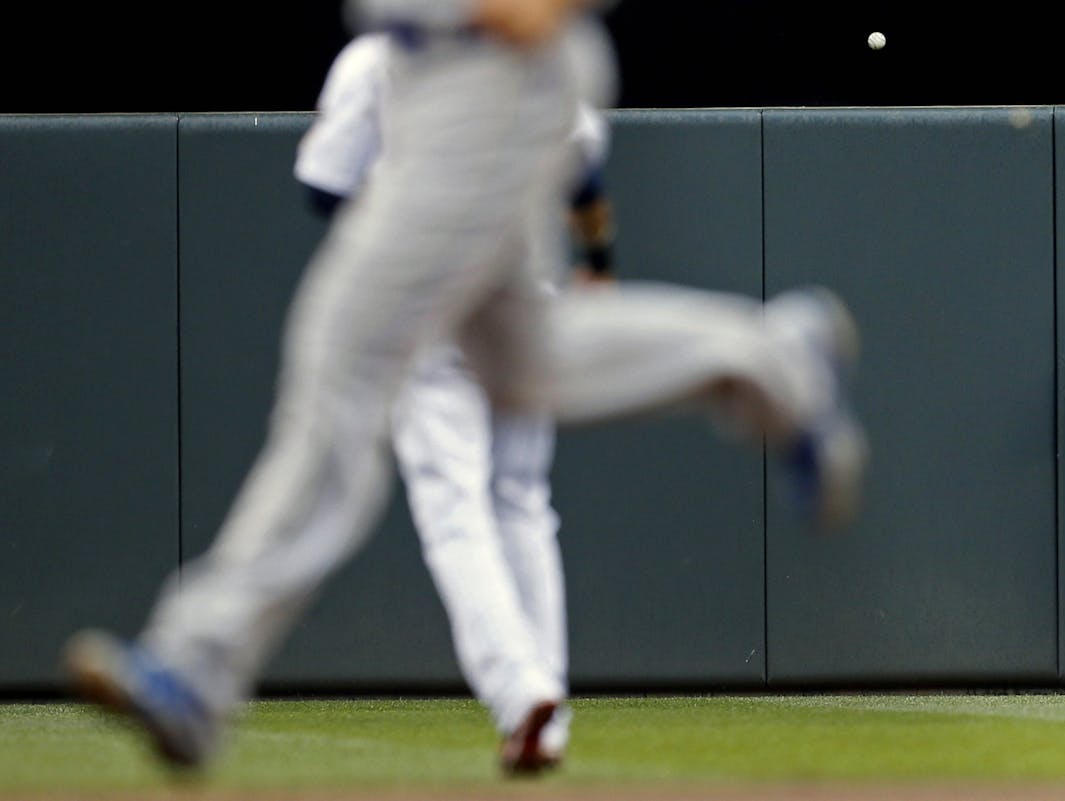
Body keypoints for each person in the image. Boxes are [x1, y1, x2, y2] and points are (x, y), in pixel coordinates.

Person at [61, 0, 866, 779]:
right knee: (529, 364)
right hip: (431, 78)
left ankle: (201, 661)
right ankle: (774, 357)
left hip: (488, 74)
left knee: (342, 361)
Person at [289, 30, 617, 773]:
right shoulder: (537, 49)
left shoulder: (381, 56)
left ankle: (522, 689)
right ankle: (547, 702)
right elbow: (585, 170)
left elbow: (323, 184)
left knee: (455, 506)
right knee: (522, 499)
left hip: (429, 302)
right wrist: (599, 262)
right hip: (527, 294)